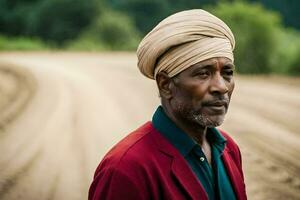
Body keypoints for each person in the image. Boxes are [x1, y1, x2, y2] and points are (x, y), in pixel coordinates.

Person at [89, 9, 247, 200]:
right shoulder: (126, 169)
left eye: (227, 73)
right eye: (203, 73)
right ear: (165, 85)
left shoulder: (229, 149)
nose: (221, 87)